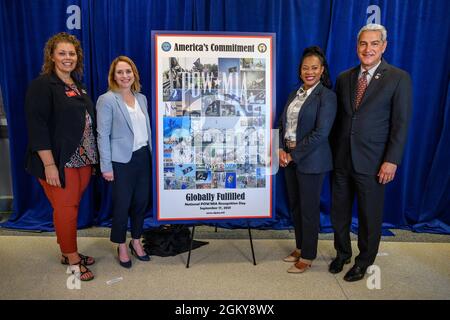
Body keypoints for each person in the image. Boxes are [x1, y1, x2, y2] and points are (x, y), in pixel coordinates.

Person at [330, 24, 412, 281]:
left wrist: (391, 160)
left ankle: (364, 261)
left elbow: (401, 123)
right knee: (339, 212)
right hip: (342, 159)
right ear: (357, 47)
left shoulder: (398, 78)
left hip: (375, 162)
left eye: (374, 44)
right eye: (363, 44)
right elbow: (339, 120)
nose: (368, 49)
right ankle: (342, 253)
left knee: (369, 216)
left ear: (384, 46)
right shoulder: (344, 78)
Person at [24, 32, 98, 281]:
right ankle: (72, 257)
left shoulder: (77, 85)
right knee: (66, 209)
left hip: (83, 160)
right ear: (52, 56)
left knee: (69, 208)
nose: (68, 58)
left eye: (72, 53)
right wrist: (49, 165)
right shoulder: (43, 85)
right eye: (62, 53)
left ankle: (67, 251)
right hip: (59, 161)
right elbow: (37, 127)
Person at [278, 46, 337, 273]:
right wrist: (281, 150)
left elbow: (321, 134)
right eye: (305, 68)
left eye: (314, 68)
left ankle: (309, 255)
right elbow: (282, 123)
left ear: (322, 70)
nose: (309, 72)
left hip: (312, 160)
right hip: (290, 158)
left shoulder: (327, 97)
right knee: (295, 206)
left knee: (309, 209)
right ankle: (301, 247)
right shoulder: (295, 93)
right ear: (300, 70)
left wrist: (293, 154)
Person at [96, 56, 152, 268]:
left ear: (134, 74)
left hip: (143, 157)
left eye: (128, 71)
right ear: (113, 76)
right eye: (120, 72)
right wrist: (106, 166)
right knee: (122, 205)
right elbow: (102, 135)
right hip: (121, 162)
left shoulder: (142, 98)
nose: (124, 76)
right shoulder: (107, 100)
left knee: (140, 203)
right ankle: (120, 245)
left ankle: (136, 241)